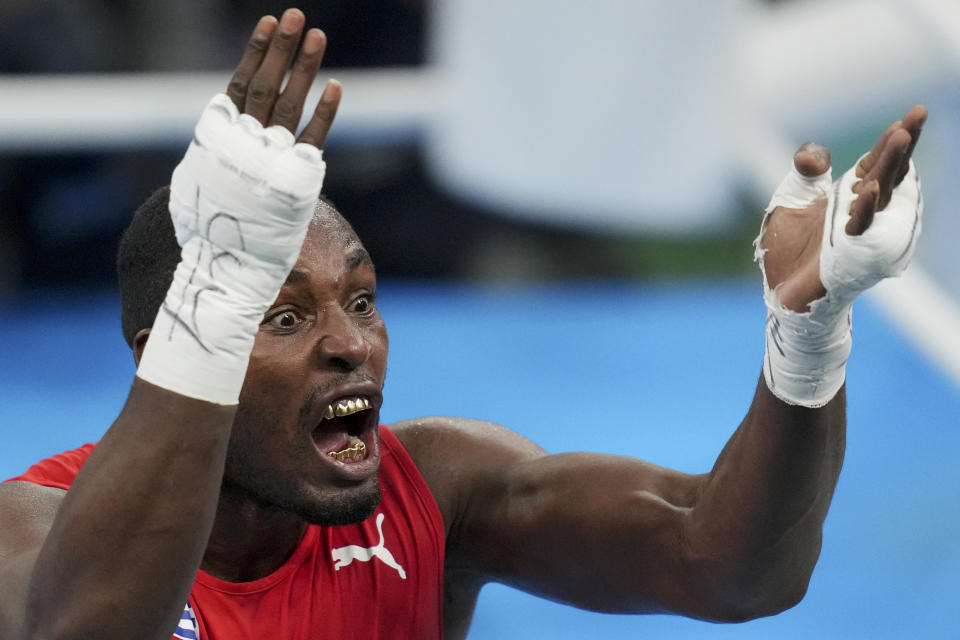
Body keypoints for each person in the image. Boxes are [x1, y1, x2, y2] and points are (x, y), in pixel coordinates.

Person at [0, 8, 927, 640]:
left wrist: (807, 338)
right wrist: (215, 289)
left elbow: (729, 565)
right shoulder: (26, 527)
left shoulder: (437, 493)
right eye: (281, 314)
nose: (349, 342)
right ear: (159, 351)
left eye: (361, 301)